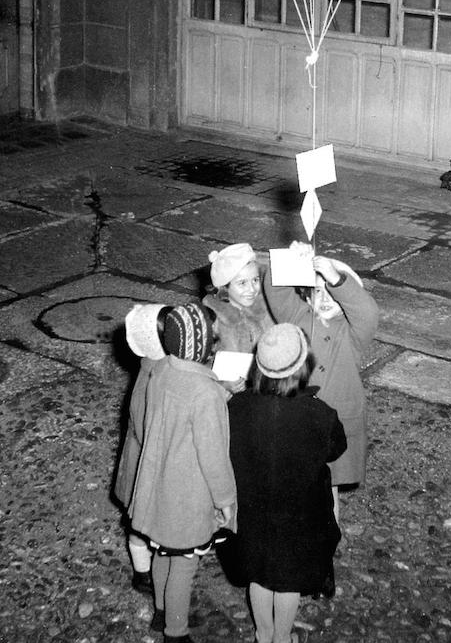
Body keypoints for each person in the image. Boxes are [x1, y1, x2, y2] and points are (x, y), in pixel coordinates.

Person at [228, 323, 346, 643]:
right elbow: (337, 448)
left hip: (252, 511)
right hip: (299, 515)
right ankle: (282, 636)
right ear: (303, 366)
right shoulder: (321, 414)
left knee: (259, 574)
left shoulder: (236, 407)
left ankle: (263, 634)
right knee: (288, 580)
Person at [126, 302, 236, 643]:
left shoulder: (160, 371)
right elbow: (214, 455)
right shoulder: (206, 392)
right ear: (204, 347)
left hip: (157, 487)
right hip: (186, 494)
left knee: (162, 552)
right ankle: (175, 631)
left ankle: (161, 610)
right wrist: (226, 499)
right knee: (184, 566)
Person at [263, 242, 379, 523]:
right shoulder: (298, 317)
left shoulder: (352, 331)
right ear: (307, 295)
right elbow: (275, 289)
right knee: (294, 479)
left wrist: (336, 278)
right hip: (298, 418)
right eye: (318, 291)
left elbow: (367, 311)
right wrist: (293, 259)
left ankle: (328, 538)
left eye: (333, 292)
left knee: (329, 487)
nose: (326, 298)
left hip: (337, 421)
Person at [113, 301, 170, 596]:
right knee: (139, 520)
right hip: (143, 463)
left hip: (147, 459)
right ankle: (141, 571)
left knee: (143, 517)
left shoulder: (155, 369)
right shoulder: (153, 380)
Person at [203, 243, 273, 392]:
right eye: (242, 283)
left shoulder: (261, 311)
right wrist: (222, 385)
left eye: (255, 280)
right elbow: (198, 367)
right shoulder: (213, 319)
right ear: (224, 286)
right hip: (223, 396)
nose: (252, 289)